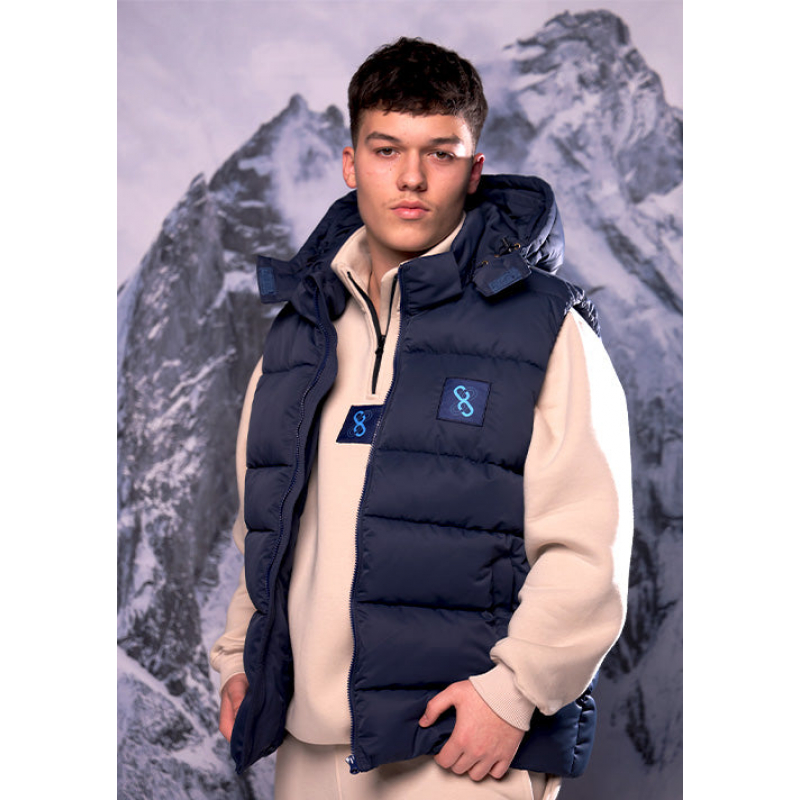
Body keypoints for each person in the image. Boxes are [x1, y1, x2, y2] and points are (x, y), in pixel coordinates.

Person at [210, 37, 633, 800]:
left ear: (474, 170)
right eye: (386, 150)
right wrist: (242, 659)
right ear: (351, 163)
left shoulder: (545, 328)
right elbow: (264, 530)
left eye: (440, 152)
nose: (410, 178)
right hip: (308, 750)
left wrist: (513, 694)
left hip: (463, 754)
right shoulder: (299, 333)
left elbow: (589, 547)